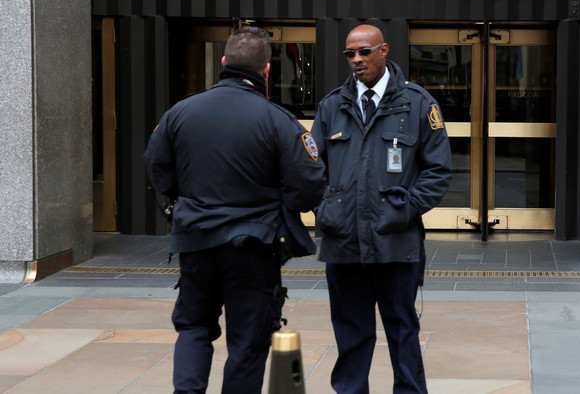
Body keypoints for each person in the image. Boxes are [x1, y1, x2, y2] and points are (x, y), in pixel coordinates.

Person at [143, 26, 326, 394]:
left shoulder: (181, 112)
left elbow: (156, 167)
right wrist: (283, 203)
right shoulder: (277, 119)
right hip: (253, 248)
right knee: (248, 340)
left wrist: (188, 197)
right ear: (267, 69)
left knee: (194, 327)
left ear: (224, 63)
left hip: (195, 242)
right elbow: (309, 184)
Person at [311, 24, 452, 393]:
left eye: (364, 52)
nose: (356, 60)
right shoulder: (332, 106)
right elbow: (310, 171)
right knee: (351, 333)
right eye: (350, 54)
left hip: (396, 242)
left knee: (402, 331)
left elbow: (438, 172)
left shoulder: (418, 103)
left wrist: (405, 210)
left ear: (384, 50)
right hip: (344, 244)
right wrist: (327, 210)